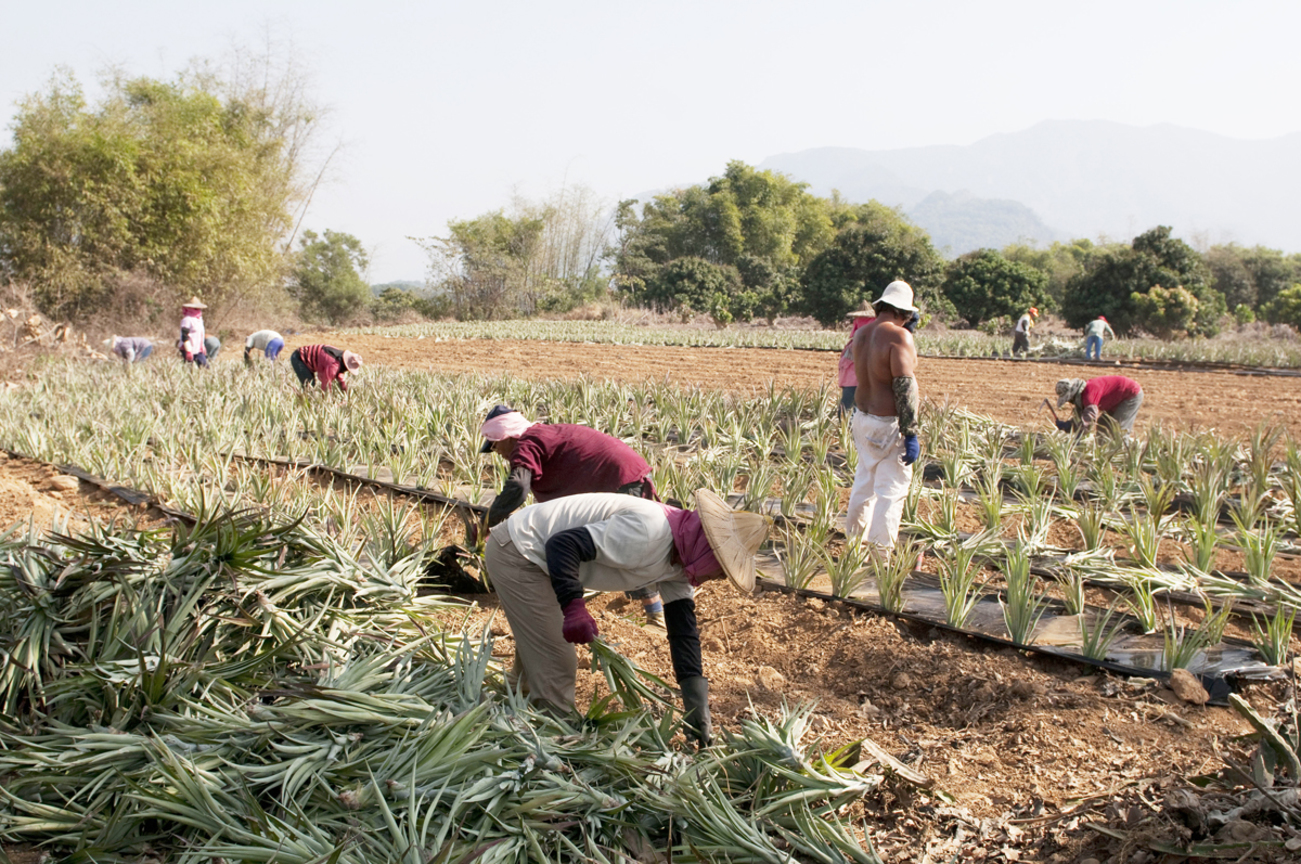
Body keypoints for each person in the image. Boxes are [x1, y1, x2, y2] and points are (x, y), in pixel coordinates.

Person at [484, 488, 769, 744]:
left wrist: (696, 706)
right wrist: (573, 607)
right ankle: (554, 741)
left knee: (540, 645)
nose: (717, 578)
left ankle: (507, 718)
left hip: (538, 558)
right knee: (557, 661)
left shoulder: (681, 561)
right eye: (721, 570)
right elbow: (562, 546)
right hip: (519, 552)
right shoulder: (649, 532)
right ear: (710, 551)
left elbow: (684, 632)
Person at [479, 405, 668, 627]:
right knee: (613, 544)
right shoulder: (542, 436)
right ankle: (652, 612)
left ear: (507, 436)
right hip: (622, 477)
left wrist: (488, 520)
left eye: (494, 444)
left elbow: (518, 487)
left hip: (619, 481)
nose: (497, 451)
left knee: (625, 547)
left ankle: (657, 617)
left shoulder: (527, 442)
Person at [846, 280, 921, 552]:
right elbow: (904, 384)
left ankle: (854, 546)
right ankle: (880, 557)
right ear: (905, 312)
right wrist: (910, 432)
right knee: (891, 492)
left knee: (864, 483)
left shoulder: (862, 334)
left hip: (862, 419)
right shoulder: (899, 337)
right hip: (886, 425)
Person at [1055, 376, 1144, 436]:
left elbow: (1088, 421)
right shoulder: (1083, 395)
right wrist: (1069, 425)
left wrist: (1078, 437)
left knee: (1119, 430)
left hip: (1130, 394)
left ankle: (1124, 455)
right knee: (1103, 423)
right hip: (1116, 398)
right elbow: (1081, 417)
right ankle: (1104, 452)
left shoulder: (1089, 395)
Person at [837, 307, 875, 415]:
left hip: (855, 381)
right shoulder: (859, 340)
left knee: (847, 411)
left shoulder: (863, 340)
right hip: (851, 380)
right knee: (849, 410)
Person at [290, 344, 361, 393]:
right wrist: (327, 401)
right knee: (309, 385)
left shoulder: (339, 357)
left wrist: (343, 388)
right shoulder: (333, 364)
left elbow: (339, 374)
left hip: (305, 358)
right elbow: (326, 384)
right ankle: (303, 403)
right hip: (299, 358)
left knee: (310, 385)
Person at [178, 297, 209, 367]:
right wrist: (188, 351)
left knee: (205, 367)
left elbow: (200, 334)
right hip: (188, 348)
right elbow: (184, 336)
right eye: (195, 309)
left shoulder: (199, 320)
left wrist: (202, 346)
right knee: (190, 368)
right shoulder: (187, 320)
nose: (198, 310)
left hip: (198, 349)